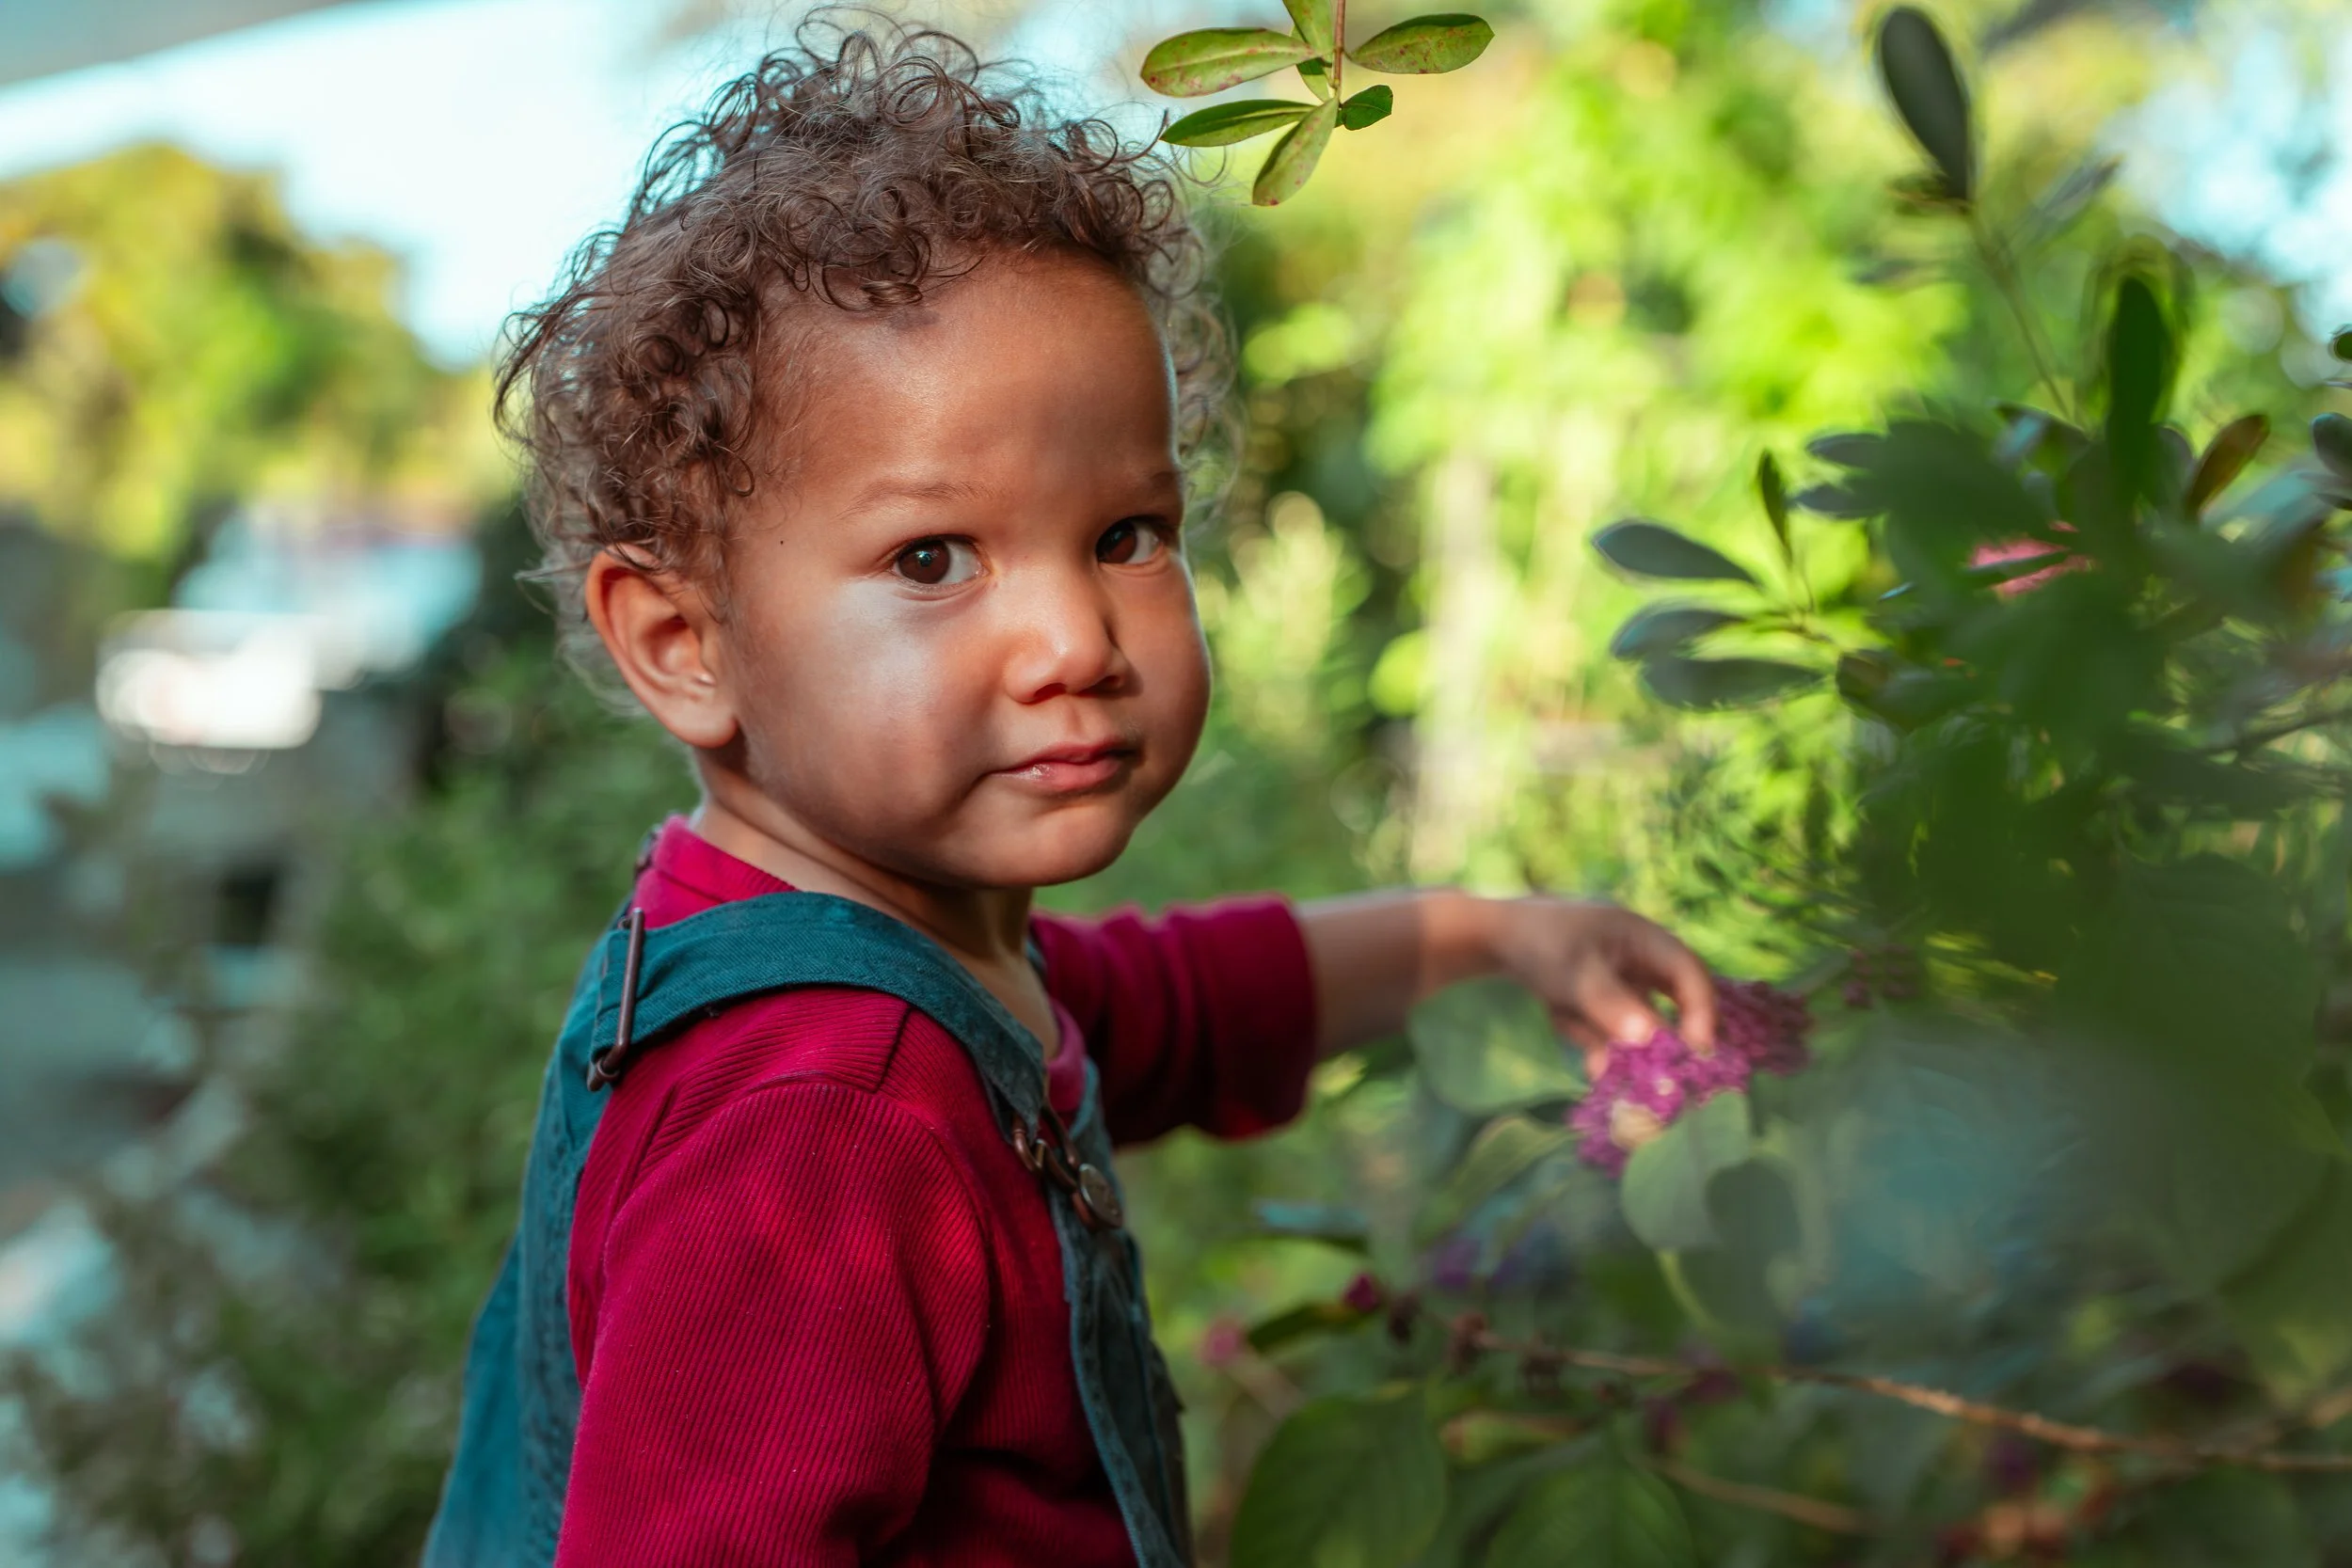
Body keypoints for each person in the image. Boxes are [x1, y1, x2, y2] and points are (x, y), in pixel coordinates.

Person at [425, 19, 1715, 1568]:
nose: (1076, 640)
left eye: (1126, 534)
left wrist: (1495, 936)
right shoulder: (827, 1113)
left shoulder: (880, 945)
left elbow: (1167, 1006)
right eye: (932, 558)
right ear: (685, 642)